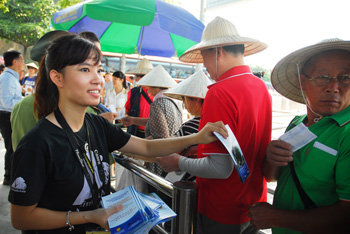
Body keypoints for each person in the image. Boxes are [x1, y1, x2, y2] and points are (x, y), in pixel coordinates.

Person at [8, 32, 227, 234]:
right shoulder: (38, 143)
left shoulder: (96, 125)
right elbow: (21, 218)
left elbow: (146, 147)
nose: (98, 79)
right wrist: (88, 216)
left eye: (99, 69)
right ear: (57, 78)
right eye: (85, 70)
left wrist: (197, 137)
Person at [156, 16, 271, 234]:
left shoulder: (220, 92)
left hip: (221, 208)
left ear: (218, 52)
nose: (205, 66)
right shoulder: (260, 87)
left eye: (205, 57)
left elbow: (220, 168)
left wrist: (178, 161)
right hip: (253, 205)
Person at [248, 38, 350, 234]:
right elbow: (271, 177)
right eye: (322, 77)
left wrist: (275, 217)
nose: (333, 86)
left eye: (345, 77)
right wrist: (272, 158)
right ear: (303, 82)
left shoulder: (346, 132)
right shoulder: (297, 122)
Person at [161, 70, 213, 182]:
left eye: (184, 99)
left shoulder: (190, 126)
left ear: (197, 101)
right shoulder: (213, 124)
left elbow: (167, 151)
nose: (184, 104)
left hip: (187, 183)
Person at [0, 50, 25, 185]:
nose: (23, 63)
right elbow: (7, 102)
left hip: (10, 115)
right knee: (11, 146)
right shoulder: (7, 78)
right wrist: (24, 102)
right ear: (14, 62)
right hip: (6, 116)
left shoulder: (11, 77)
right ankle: (9, 176)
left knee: (13, 145)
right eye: (21, 60)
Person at [122, 58, 154, 138]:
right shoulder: (133, 92)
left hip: (153, 132)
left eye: (142, 76)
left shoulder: (158, 93)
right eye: (137, 76)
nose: (138, 78)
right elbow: (127, 110)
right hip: (136, 132)